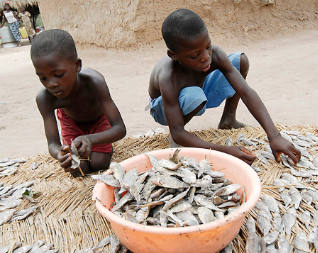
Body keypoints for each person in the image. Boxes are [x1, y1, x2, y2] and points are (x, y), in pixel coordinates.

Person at [148, 9, 301, 165]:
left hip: (199, 90)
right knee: (194, 97)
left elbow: (246, 92)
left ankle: (228, 120)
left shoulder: (214, 56)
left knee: (239, 61)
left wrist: (274, 136)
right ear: (173, 55)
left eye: (208, 46)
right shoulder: (169, 77)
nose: (206, 57)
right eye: (195, 55)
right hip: (164, 108)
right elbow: (177, 132)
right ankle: (179, 138)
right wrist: (226, 151)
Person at [31, 29, 126, 176]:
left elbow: (119, 128)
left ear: (77, 66)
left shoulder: (94, 83)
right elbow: (52, 144)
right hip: (71, 123)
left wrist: (90, 139)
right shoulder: (45, 98)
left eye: (58, 75)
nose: (51, 84)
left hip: (99, 120)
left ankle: (104, 147)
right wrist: (60, 154)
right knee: (77, 170)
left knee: (99, 164)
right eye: (43, 78)